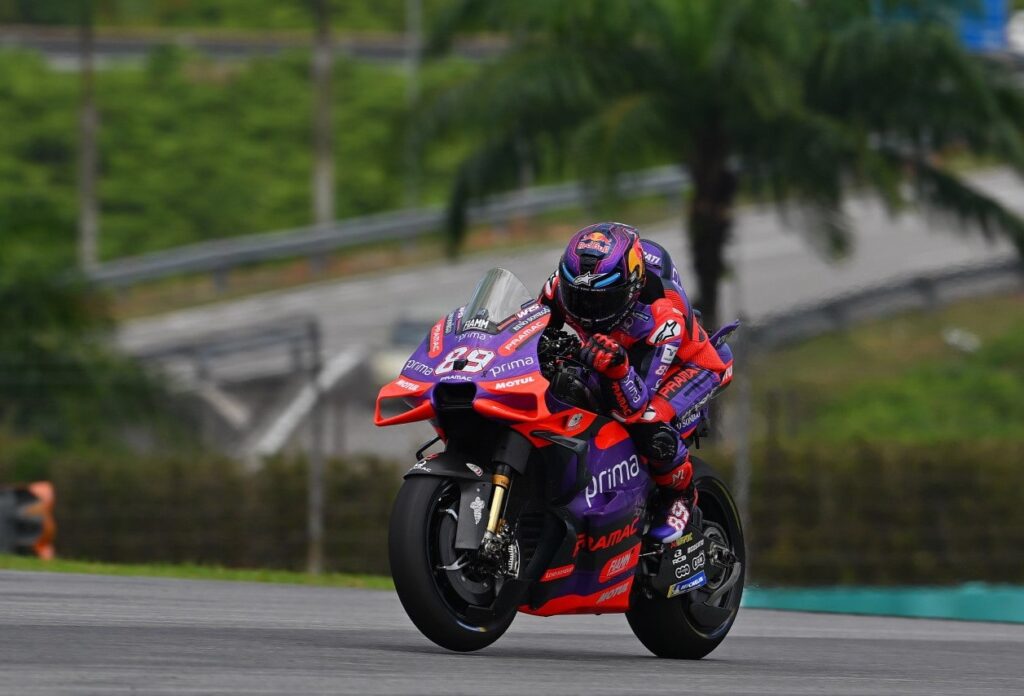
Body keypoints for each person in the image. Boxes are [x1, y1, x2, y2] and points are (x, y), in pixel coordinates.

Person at [538, 222, 733, 544]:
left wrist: (616, 369)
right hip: (618, 354)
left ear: (630, 287)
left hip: (689, 366)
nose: (586, 310)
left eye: (600, 300)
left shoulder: (661, 315)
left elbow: (635, 403)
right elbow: (527, 328)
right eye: (578, 297)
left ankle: (680, 494)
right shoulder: (558, 288)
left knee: (648, 422)